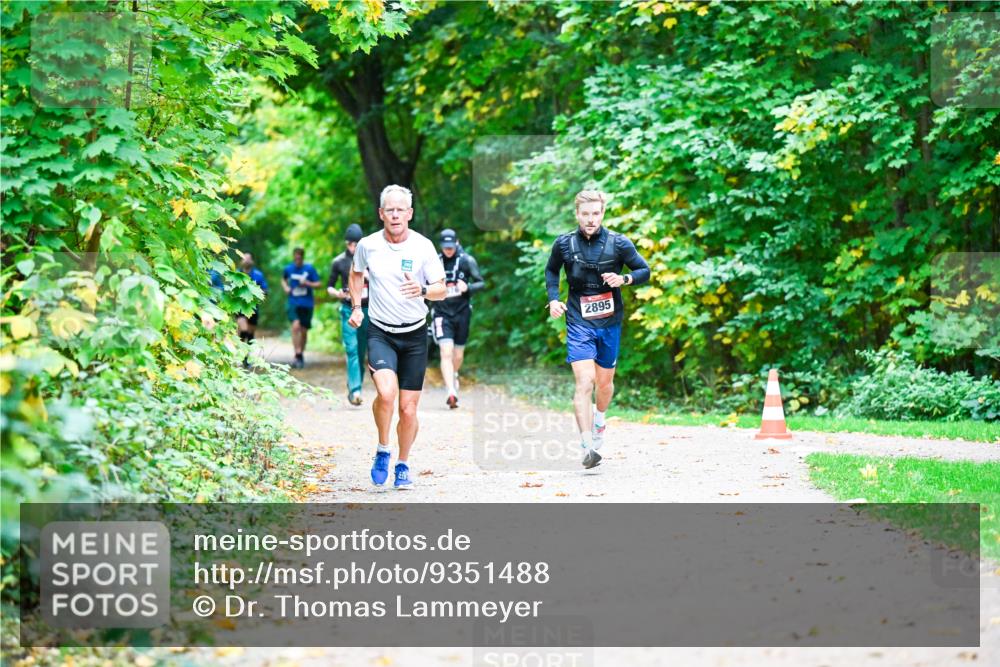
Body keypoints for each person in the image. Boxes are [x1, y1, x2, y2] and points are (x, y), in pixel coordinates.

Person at [348, 185, 447, 489]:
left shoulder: (423, 247)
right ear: (381, 214)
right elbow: (356, 273)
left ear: (410, 214)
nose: (394, 215)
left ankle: (402, 463)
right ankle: (382, 449)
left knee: (408, 408)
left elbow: (441, 287)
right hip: (381, 332)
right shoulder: (368, 245)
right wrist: (356, 307)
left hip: (415, 335)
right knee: (387, 394)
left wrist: (423, 290)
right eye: (389, 209)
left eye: (400, 209)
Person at [545, 190, 650, 469]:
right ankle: (587, 444)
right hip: (579, 320)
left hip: (609, 322)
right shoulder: (564, 244)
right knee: (584, 382)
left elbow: (644, 271)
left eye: (596, 214)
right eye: (586, 214)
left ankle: (600, 420)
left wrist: (623, 278)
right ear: (577, 214)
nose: (591, 220)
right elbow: (552, 271)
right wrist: (554, 299)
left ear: (602, 214)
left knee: (604, 384)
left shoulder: (619, 243)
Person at [432, 228, 484, 409]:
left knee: (458, 354)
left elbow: (481, 282)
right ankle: (451, 392)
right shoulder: (434, 262)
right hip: (441, 313)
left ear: (457, 243)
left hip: (462, 312)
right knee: (445, 352)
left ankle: (453, 374)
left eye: (451, 246)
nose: (448, 250)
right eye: (445, 247)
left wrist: (467, 287)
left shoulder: (467, 260)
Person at [328, 224, 369, 405]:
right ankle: (355, 390)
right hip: (347, 308)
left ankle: (355, 381)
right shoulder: (339, 262)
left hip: (368, 310)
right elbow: (329, 285)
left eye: (356, 244)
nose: (353, 247)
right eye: (351, 244)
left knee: (361, 351)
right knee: (351, 348)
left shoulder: (372, 259)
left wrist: (368, 275)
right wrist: (337, 293)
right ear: (346, 243)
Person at [282, 247, 321, 369]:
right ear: (294, 257)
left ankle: (300, 354)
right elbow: (283, 279)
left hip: (307, 303)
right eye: (296, 257)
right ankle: (297, 353)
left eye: (299, 257)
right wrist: (286, 288)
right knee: (295, 326)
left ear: (302, 257)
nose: (297, 259)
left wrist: (308, 283)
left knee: (303, 331)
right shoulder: (288, 268)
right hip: (293, 302)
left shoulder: (309, 269)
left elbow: (319, 284)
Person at [237, 252, 268, 367]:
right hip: (239, 307)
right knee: (244, 330)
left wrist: (256, 293)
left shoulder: (258, 275)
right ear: (241, 261)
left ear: (252, 262)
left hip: (253, 308)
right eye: (244, 258)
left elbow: (265, 290)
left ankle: (247, 357)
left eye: (249, 259)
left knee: (250, 333)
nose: (247, 261)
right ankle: (243, 356)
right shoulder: (236, 274)